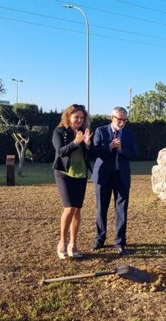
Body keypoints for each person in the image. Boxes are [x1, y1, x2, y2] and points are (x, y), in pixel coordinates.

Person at [91, 106, 138, 256]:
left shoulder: (129, 135)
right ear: (112, 118)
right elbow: (94, 152)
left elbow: (136, 154)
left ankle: (120, 242)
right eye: (119, 119)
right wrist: (110, 146)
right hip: (103, 176)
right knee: (101, 209)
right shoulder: (101, 131)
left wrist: (122, 150)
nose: (122, 122)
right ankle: (100, 239)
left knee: (121, 210)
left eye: (125, 120)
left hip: (122, 176)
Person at [52, 104, 92, 260]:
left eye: (82, 118)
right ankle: (62, 242)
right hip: (64, 173)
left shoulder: (83, 132)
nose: (79, 120)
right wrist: (76, 142)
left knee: (77, 209)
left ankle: (73, 245)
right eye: (77, 117)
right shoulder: (59, 131)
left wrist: (87, 143)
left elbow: (90, 154)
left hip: (80, 173)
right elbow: (61, 151)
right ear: (68, 116)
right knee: (69, 208)